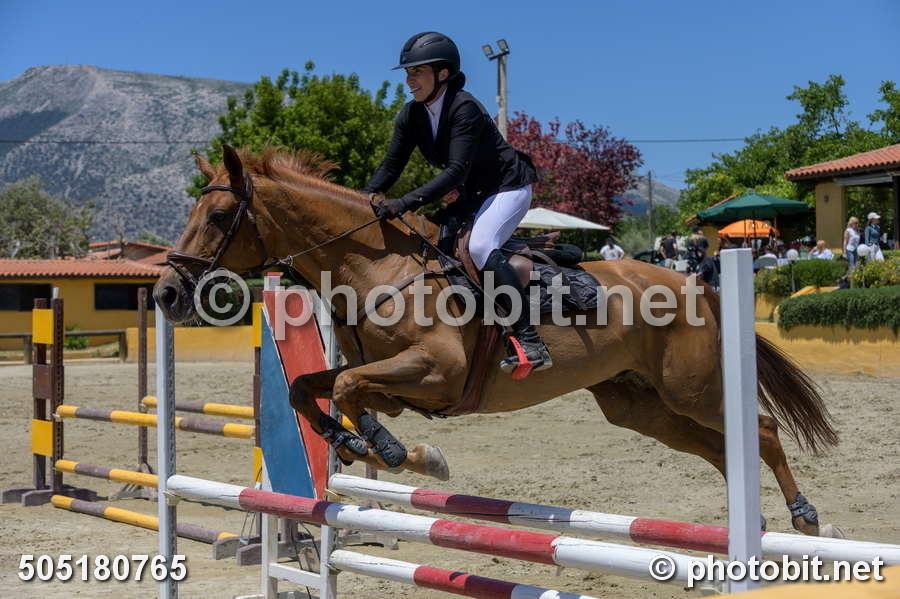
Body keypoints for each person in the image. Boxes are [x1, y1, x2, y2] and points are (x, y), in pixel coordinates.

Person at [362, 32, 548, 374]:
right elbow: (391, 165)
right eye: (408, 73)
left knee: (479, 246)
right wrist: (365, 199)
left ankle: (531, 341)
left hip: (507, 189)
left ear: (443, 73)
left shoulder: (465, 108)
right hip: (473, 196)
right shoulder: (411, 115)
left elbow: (455, 171)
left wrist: (403, 203)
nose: (409, 80)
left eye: (417, 72)